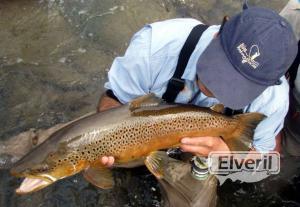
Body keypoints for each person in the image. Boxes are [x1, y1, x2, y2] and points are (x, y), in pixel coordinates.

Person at [96, 5, 298, 207]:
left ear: (267, 84)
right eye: (222, 65)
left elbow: (266, 159)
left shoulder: (272, 99)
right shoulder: (154, 46)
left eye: (237, 83)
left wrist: (225, 154)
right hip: (135, 136)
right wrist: (105, 139)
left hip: (203, 156)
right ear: (218, 33)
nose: (217, 85)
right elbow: (114, 99)